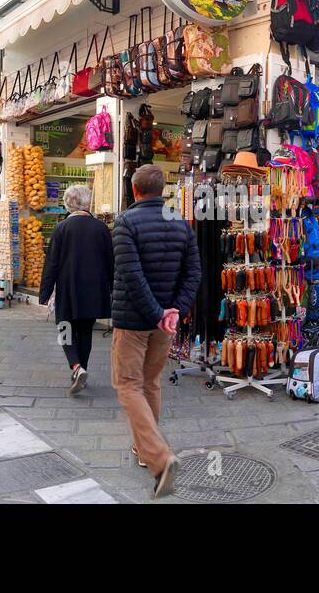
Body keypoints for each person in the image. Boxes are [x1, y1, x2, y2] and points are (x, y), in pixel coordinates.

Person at [110, 165, 200, 498]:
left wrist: (158, 312)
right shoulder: (182, 224)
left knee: (128, 385)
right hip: (165, 322)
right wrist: (174, 311)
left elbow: (132, 278)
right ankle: (144, 447)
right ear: (162, 190)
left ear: (134, 190)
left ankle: (159, 458)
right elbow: (194, 273)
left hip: (134, 321)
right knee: (150, 382)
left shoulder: (124, 223)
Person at [39, 185, 112, 396]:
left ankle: (76, 366)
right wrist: (113, 288)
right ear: (88, 203)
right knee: (85, 330)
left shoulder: (62, 228)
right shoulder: (101, 228)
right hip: (94, 289)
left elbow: (51, 263)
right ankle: (82, 368)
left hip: (68, 287)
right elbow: (110, 260)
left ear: (68, 203)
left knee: (64, 327)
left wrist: (45, 293)